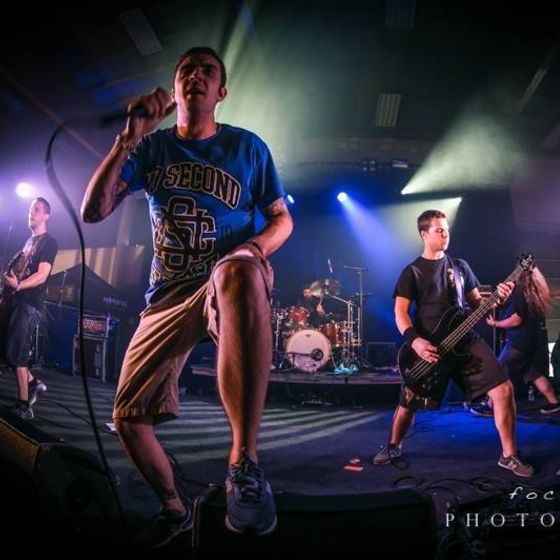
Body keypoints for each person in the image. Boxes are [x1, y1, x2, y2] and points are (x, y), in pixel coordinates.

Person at [81, 46, 293, 547]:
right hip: (166, 297)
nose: (196, 74)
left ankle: (244, 463)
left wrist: (255, 248)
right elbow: (93, 211)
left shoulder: (248, 148)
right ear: (174, 92)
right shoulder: (151, 148)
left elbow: (282, 218)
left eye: (207, 70)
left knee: (236, 269)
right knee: (128, 419)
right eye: (186, 70)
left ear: (222, 91)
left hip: (227, 280)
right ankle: (175, 509)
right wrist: (128, 139)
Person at [372, 209, 534, 477]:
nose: (445, 234)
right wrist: (416, 342)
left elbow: (478, 305)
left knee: (503, 389)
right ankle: (393, 446)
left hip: (466, 339)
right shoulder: (412, 272)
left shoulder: (460, 267)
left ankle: (509, 455)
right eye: (439, 230)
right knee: (409, 401)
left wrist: (498, 299)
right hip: (430, 346)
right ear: (424, 234)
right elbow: (400, 313)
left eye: (446, 229)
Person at [0, 197, 58, 419]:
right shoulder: (28, 242)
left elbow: (42, 275)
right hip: (16, 301)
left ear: (46, 216)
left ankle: (24, 406)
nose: (30, 213)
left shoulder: (48, 242)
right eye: (30, 209)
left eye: (36, 209)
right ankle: (35, 384)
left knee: (17, 352)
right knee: (8, 351)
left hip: (30, 304)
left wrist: (19, 285)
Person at [481, 266, 559, 414]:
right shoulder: (537, 293)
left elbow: (516, 320)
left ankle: (490, 406)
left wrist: (495, 323)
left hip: (518, 343)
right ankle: (554, 403)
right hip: (532, 342)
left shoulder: (521, 293)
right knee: (534, 373)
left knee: (498, 370)